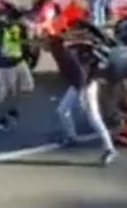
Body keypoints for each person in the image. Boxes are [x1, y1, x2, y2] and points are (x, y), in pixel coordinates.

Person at [45, 31, 115, 165]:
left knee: (93, 117)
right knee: (62, 110)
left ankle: (109, 148)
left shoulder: (65, 55)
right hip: (78, 84)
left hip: (86, 86)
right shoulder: (64, 51)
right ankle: (72, 137)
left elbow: (81, 76)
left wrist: (83, 95)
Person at [0, 9, 33, 132]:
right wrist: (2, 59)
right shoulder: (0, 26)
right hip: (5, 65)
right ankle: (0, 119)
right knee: (5, 93)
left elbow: (23, 43)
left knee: (26, 86)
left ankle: (12, 109)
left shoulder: (20, 26)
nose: (22, 21)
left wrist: (26, 57)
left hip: (18, 61)